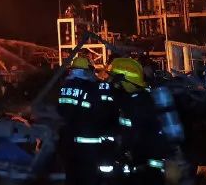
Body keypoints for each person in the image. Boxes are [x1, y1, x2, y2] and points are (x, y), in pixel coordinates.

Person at [110, 57, 170, 184]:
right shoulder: (140, 99)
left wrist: (124, 153)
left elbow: (136, 136)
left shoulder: (136, 104)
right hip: (147, 165)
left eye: (115, 79)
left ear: (124, 81)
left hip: (144, 168)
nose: (112, 83)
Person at [57, 56, 117, 184]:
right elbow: (99, 113)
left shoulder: (64, 87)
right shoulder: (91, 87)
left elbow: (60, 111)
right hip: (88, 141)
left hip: (67, 140)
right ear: (86, 70)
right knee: (88, 175)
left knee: (71, 174)